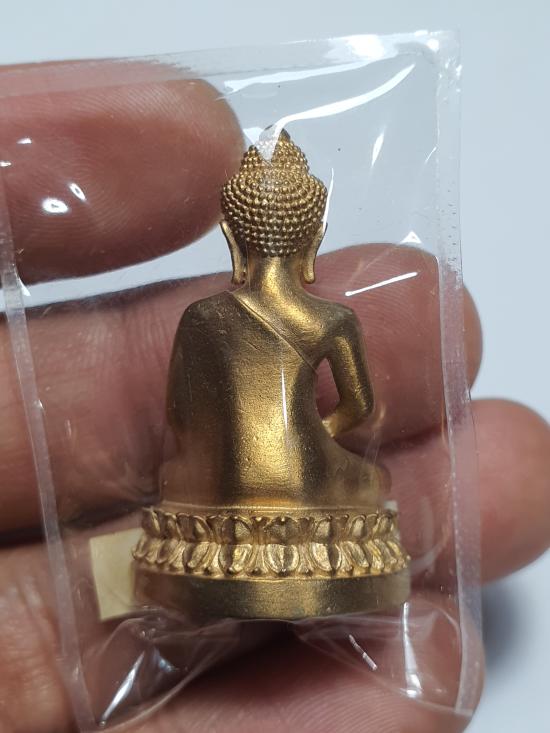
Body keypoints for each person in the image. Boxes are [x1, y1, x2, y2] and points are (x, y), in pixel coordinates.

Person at [0, 60, 548, 733]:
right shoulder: (331, 320)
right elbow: (357, 411)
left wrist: (221, 459)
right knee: (365, 483)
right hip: (310, 490)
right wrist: (310, 440)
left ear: (234, 237)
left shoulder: (201, 319)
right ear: (312, 237)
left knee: (182, 493)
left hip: (219, 505)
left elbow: (182, 419)